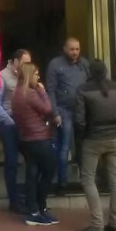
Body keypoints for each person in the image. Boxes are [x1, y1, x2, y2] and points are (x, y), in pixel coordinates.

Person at [73, 59, 116, 231]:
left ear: (90, 72)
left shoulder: (83, 90)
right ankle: (114, 223)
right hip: (112, 138)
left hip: (93, 139)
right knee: (114, 179)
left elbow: (79, 120)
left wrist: (81, 137)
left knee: (88, 179)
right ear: (105, 71)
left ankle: (97, 224)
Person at [11, 62, 58, 227]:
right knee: (48, 171)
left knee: (32, 173)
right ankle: (40, 206)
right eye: (36, 74)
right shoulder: (30, 93)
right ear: (30, 75)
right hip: (39, 138)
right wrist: (43, 92)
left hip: (26, 139)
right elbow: (47, 109)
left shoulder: (16, 94)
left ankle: (34, 211)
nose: (38, 77)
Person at [0, 49, 30, 214]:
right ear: (15, 61)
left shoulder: (26, 76)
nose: (28, 66)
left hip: (25, 123)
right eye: (25, 63)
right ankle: (14, 200)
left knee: (32, 158)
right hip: (8, 123)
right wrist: (9, 121)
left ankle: (29, 197)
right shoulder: (1, 76)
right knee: (12, 161)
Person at [44, 37, 88, 194]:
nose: (75, 52)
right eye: (72, 49)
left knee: (84, 147)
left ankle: (86, 181)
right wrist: (55, 113)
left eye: (77, 49)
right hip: (63, 111)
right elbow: (50, 90)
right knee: (64, 146)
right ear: (64, 49)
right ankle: (62, 183)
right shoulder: (55, 65)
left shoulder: (84, 64)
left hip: (81, 111)